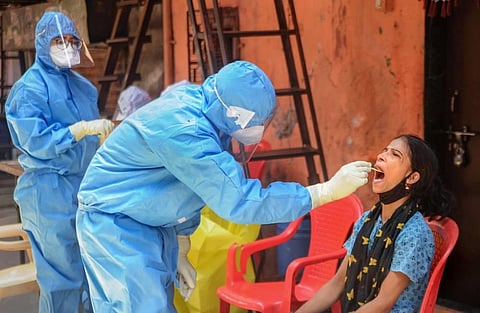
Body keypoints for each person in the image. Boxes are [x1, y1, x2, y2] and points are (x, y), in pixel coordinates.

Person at [75, 60, 372, 313]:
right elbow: (240, 200)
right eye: (257, 121)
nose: (259, 128)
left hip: (147, 221)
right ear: (237, 114)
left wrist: (180, 240)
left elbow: (183, 187)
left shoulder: (209, 115)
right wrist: (322, 192)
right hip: (114, 223)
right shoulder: (187, 129)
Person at [5, 11, 114, 313]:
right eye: (58, 41)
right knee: (61, 281)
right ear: (42, 44)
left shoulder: (83, 87)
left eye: (71, 41)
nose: (67, 47)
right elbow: (35, 140)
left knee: (93, 274)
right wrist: (77, 131)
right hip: (49, 192)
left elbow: (94, 135)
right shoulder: (29, 89)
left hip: (85, 188)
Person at [295, 134, 456, 313]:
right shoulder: (367, 221)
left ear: (411, 177)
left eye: (395, 154)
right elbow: (337, 283)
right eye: (385, 150)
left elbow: (383, 303)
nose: (381, 156)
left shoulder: (414, 234)